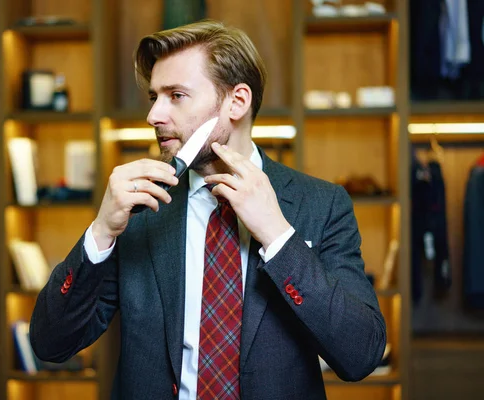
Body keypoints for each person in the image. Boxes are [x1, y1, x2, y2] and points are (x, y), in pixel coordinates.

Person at [30, 19, 386, 400]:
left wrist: (279, 237)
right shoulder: (140, 208)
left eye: (177, 95)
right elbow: (51, 344)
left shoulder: (322, 205)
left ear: (237, 101)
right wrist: (101, 232)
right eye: (154, 97)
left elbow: (360, 355)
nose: (154, 115)